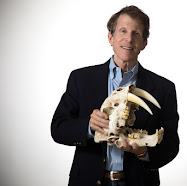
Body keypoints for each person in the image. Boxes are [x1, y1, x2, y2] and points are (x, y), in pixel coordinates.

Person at [51, 5, 179, 186]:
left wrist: (143, 152)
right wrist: (88, 126)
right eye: (123, 31)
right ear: (110, 37)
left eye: (136, 33)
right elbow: (58, 128)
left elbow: (171, 144)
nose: (129, 39)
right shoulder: (81, 79)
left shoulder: (163, 89)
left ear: (144, 43)